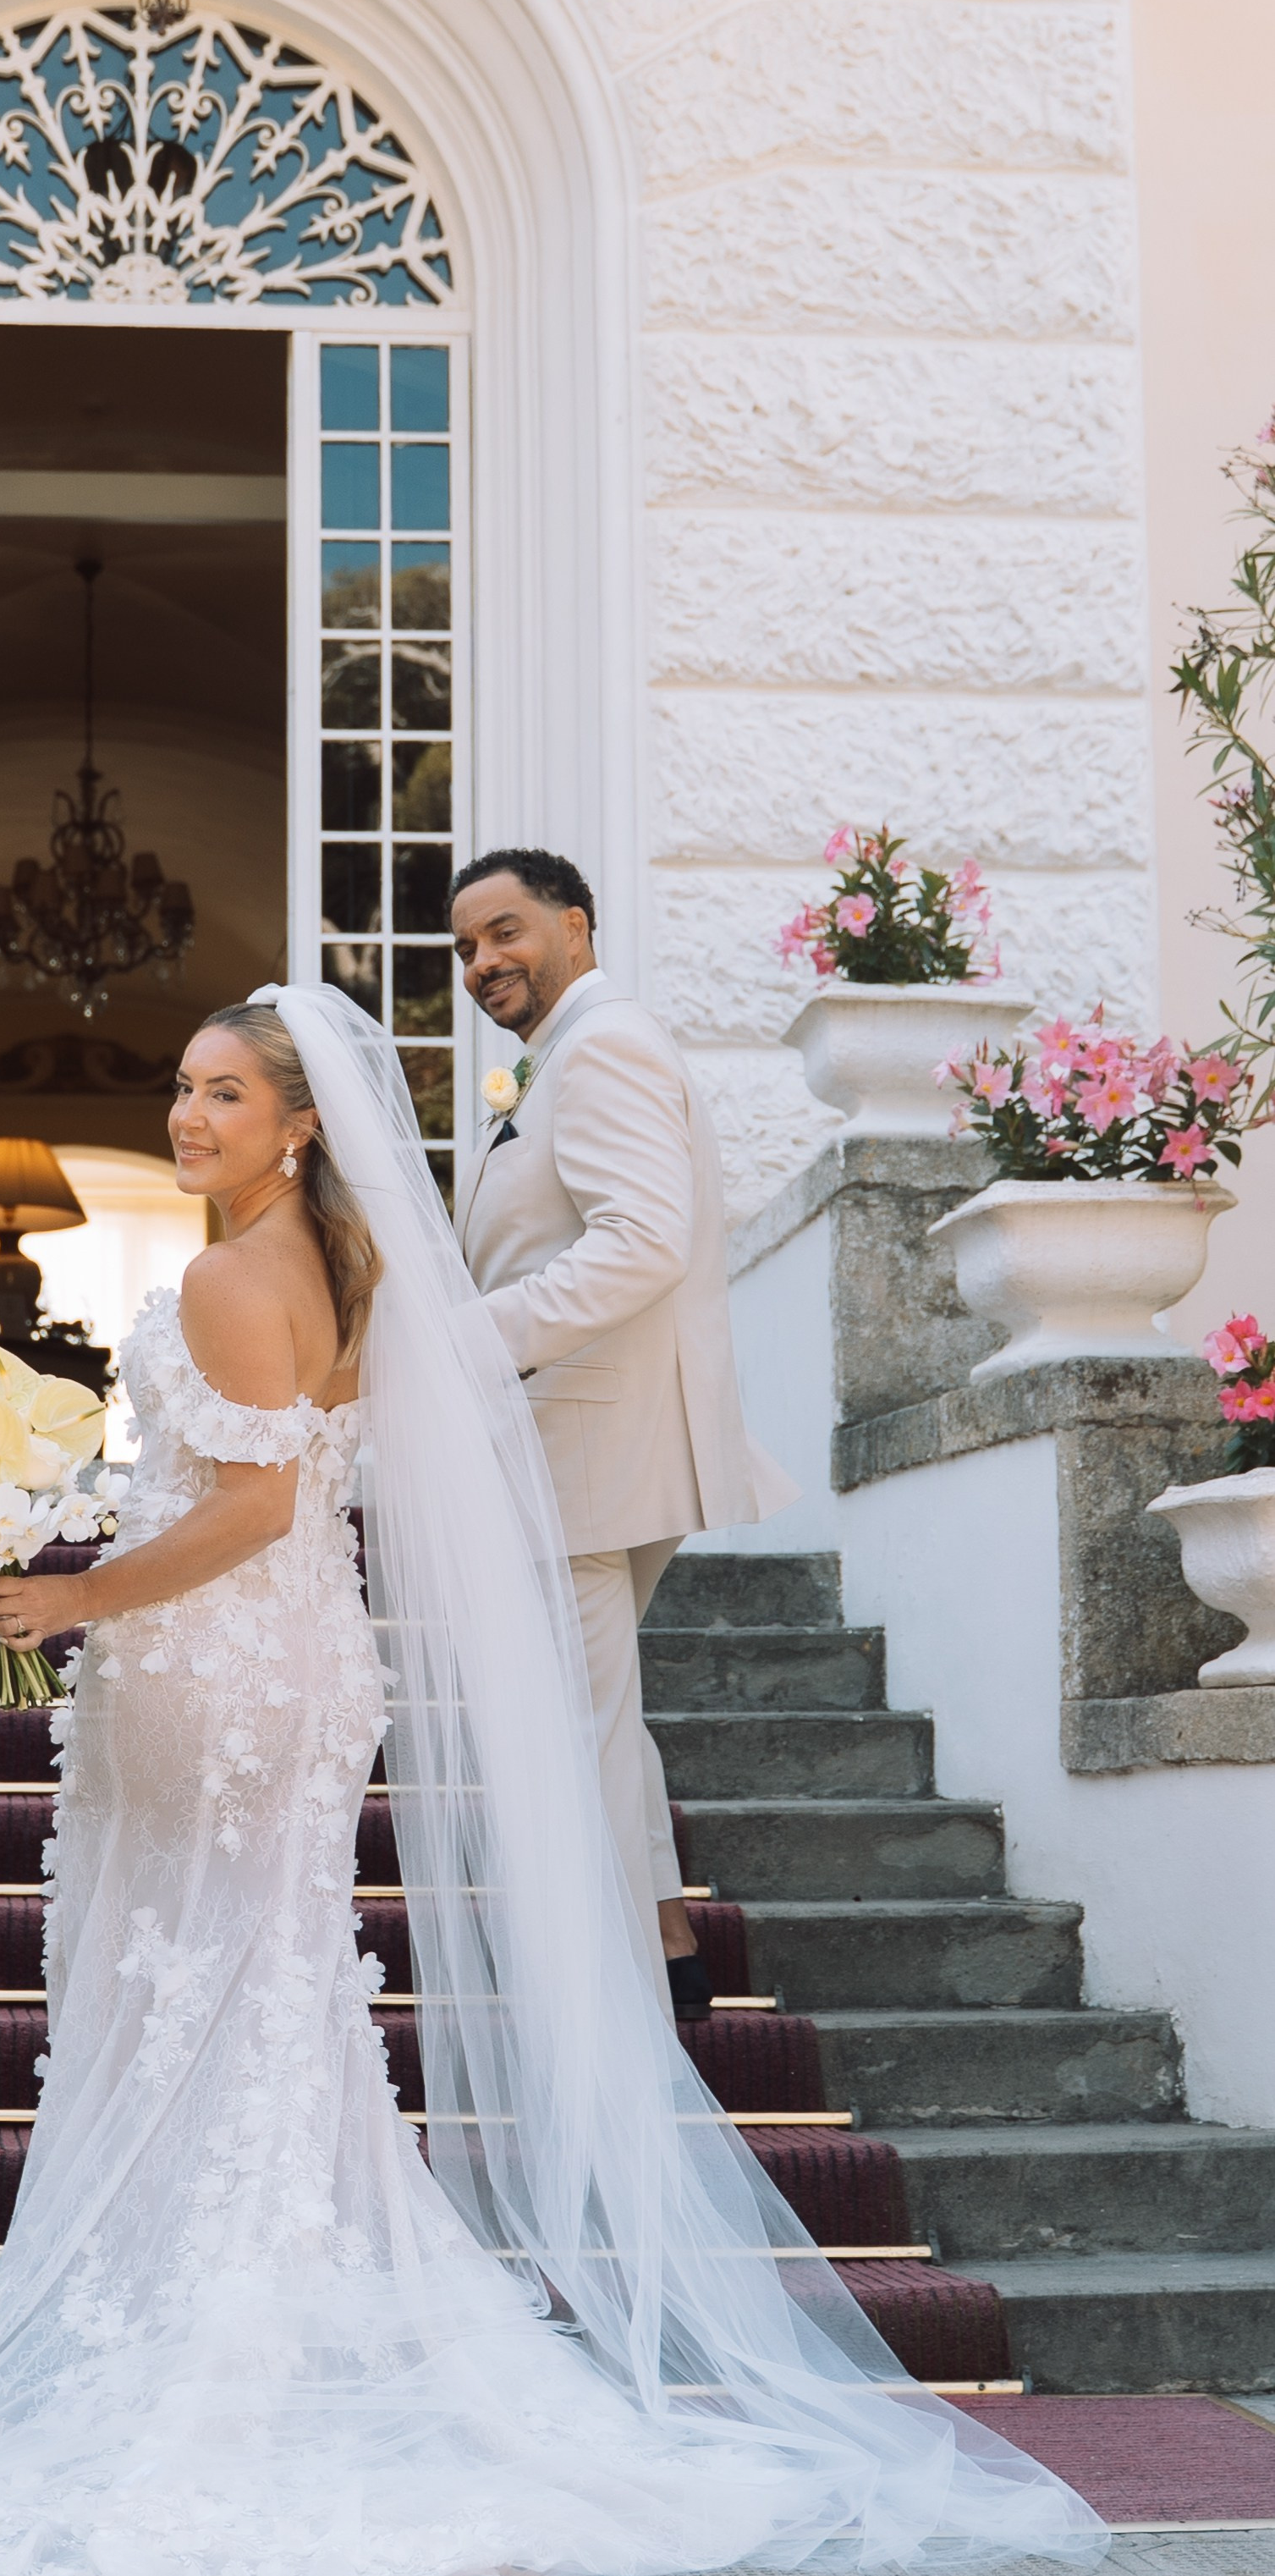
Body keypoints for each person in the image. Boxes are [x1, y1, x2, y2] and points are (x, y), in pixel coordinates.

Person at [0, 988, 1100, 2576]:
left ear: (300, 1122)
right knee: (260, 1985)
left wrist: (73, 1600)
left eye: (225, 1096)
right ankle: (248, 2296)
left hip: (224, 1663)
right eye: (181, 1090)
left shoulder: (230, 1276)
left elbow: (249, 1504)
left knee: (205, 1981)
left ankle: (203, 2316)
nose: (190, 1118)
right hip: (281, 1659)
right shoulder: (330, 1265)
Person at [451, 849, 794, 2016]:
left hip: (585, 1444)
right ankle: (664, 1943)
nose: (483, 961)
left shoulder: (604, 1045)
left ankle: (602, 1987)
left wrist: (468, 1342)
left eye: (504, 931)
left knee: (567, 1715)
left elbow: (641, 1241)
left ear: (576, 926)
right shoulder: (565, 1060)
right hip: (582, 1438)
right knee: (593, 1706)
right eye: (464, 949)